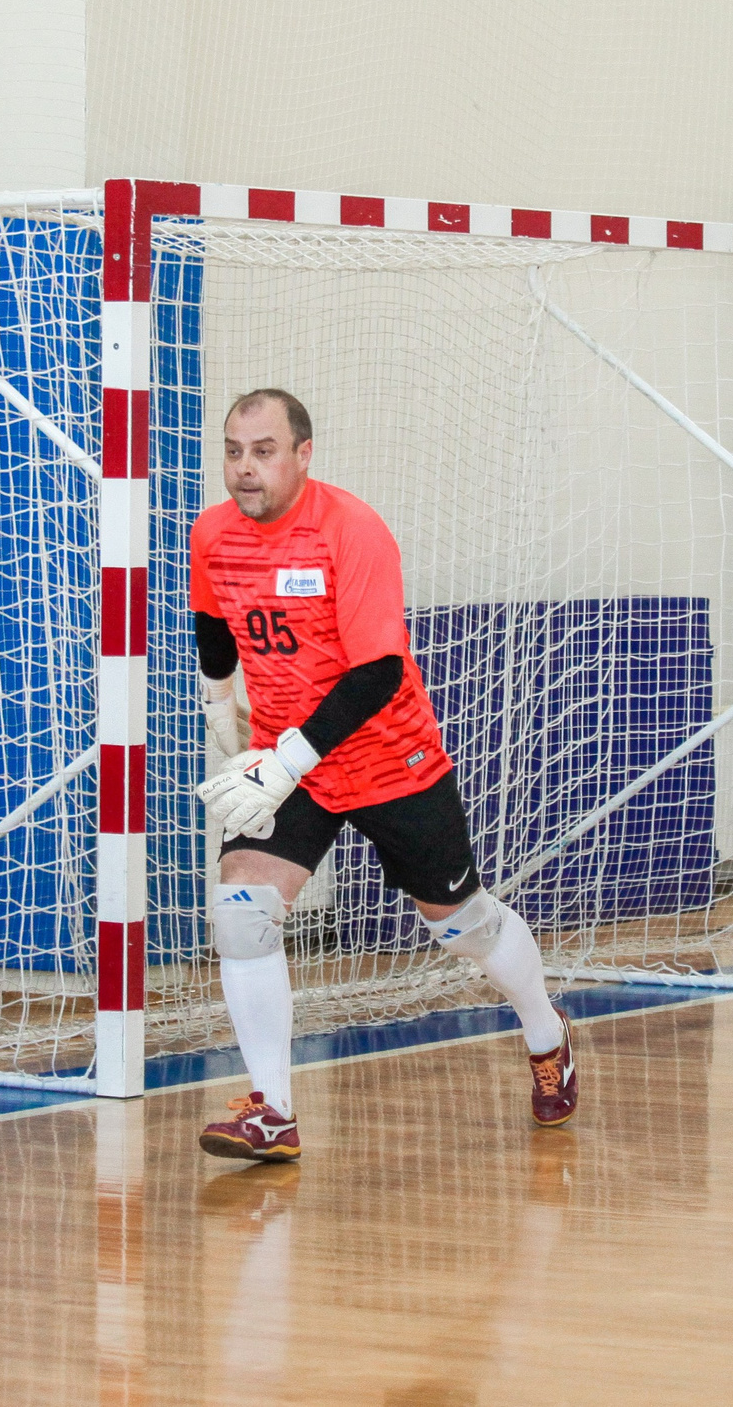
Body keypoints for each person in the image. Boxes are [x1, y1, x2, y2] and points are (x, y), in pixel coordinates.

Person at [188, 388, 575, 1161]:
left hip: (388, 757)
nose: (244, 468)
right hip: (289, 766)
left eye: (263, 450)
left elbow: (376, 673)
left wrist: (286, 758)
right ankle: (273, 1111)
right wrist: (226, 730)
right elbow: (216, 635)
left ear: (303, 454)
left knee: (464, 926)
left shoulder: (351, 530)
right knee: (240, 908)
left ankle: (548, 1034)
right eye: (233, 450)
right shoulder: (212, 533)